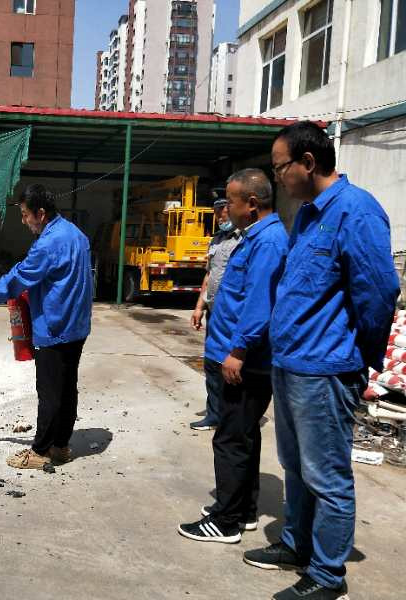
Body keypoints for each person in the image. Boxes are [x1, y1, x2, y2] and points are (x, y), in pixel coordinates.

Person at [243, 122, 399, 600]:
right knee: (296, 467)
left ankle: (328, 575)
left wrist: (358, 358)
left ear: (308, 163)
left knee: (327, 476)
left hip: (326, 369)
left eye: (280, 168)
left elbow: (378, 293)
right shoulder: (308, 215)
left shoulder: (356, 211)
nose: (277, 178)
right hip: (292, 364)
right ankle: (297, 545)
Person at [178, 168, 288, 544]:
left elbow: (259, 303)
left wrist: (238, 350)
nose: (226, 208)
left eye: (232, 200)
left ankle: (226, 521)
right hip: (236, 352)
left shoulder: (267, 242)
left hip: (246, 360)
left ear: (251, 203)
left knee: (230, 439)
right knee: (243, 436)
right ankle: (243, 509)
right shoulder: (255, 236)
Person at [0, 184, 93, 470]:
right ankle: (60, 446)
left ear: (40, 213)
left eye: (25, 215)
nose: (23, 221)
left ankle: (40, 451)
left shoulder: (48, 243)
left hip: (55, 327)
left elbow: (19, 278)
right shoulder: (75, 234)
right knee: (67, 388)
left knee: (50, 392)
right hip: (76, 326)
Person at [190, 198, 243, 431]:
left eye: (224, 212)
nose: (221, 217)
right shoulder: (216, 240)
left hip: (232, 314)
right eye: (217, 213)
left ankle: (231, 416)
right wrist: (199, 307)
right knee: (212, 364)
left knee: (229, 365)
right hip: (214, 312)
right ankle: (214, 415)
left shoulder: (244, 241)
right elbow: (209, 275)